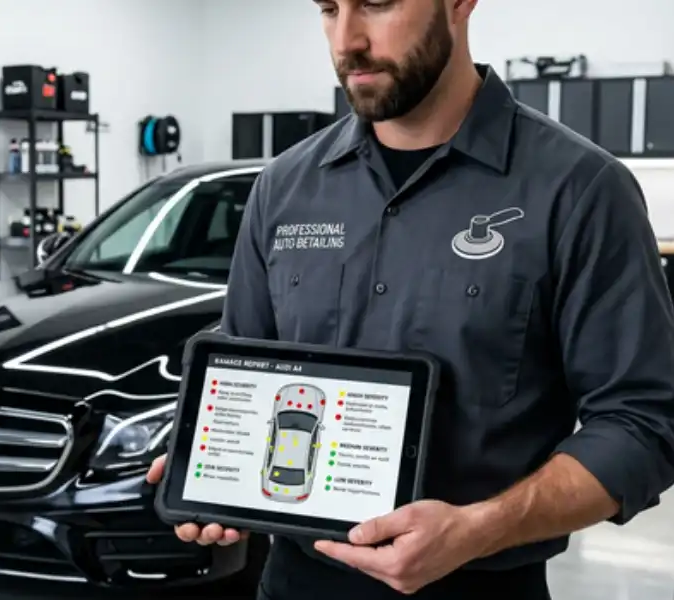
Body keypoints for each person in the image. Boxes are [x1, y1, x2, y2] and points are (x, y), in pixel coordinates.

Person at [147, 0, 674, 598]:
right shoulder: (285, 188)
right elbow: (242, 371)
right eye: (327, 9)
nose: (347, 40)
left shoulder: (580, 191)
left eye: (376, 4)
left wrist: (480, 527)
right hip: (294, 583)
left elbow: (644, 424)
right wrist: (212, 462)